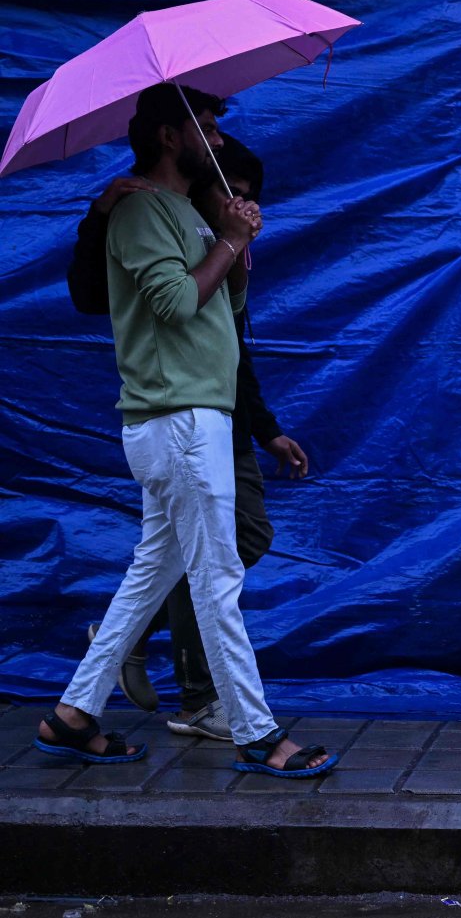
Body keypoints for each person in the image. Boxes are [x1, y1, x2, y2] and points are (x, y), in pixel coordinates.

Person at [33, 84, 334, 777]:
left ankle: (73, 714)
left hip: (193, 415)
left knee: (151, 574)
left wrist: (232, 243)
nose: (220, 141)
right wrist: (227, 240)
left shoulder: (181, 212)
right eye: (207, 127)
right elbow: (172, 305)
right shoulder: (139, 209)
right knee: (218, 576)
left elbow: (217, 316)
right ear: (170, 137)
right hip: (179, 419)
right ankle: (256, 733)